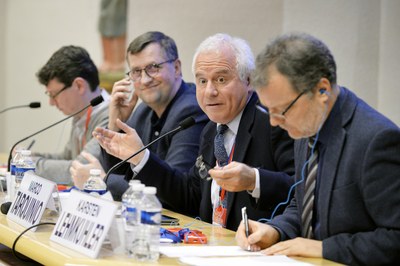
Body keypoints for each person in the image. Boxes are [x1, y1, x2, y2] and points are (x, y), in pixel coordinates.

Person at [94, 33, 295, 230]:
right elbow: (190, 197)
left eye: (221, 80)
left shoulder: (273, 122)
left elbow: (300, 190)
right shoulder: (212, 130)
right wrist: (140, 158)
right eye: (202, 81)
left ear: (248, 80)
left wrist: (255, 180)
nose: (209, 91)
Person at [235, 33, 400, 265]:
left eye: (282, 110)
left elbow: (395, 237)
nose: (274, 122)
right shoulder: (305, 126)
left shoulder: (376, 140)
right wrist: (276, 230)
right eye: (268, 110)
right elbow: (305, 205)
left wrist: (324, 248)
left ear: (322, 90)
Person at [70, 31, 208, 201]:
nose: (144, 80)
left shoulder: (191, 110)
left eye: (153, 68)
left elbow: (172, 192)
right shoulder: (143, 111)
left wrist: (103, 181)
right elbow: (118, 171)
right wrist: (116, 123)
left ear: (177, 68)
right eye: (136, 71)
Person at [35, 45, 110, 185]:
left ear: (79, 86)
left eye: (54, 95)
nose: (51, 102)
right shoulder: (81, 114)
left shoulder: (110, 115)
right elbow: (67, 157)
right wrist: (31, 156)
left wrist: (31, 165)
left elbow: (80, 170)